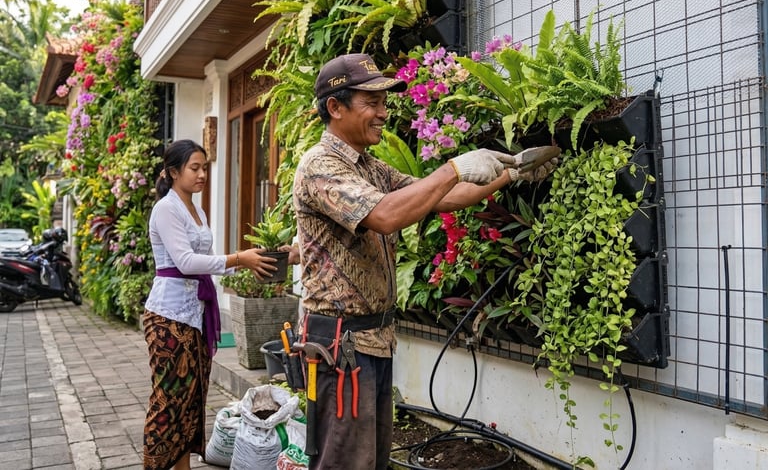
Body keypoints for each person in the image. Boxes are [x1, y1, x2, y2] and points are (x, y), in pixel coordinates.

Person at [293, 53, 558, 470]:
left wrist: (512, 173)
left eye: (384, 102)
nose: (384, 113)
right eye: (372, 102)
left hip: (372, 340)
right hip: (340, 345)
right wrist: (454, 167)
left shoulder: (370, 168)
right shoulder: (320, 166)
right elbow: (385, 215)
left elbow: (442, 197)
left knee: (371, 460)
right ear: (335, 107)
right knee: (345, 462)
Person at [142, 139, 280, 470]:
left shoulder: (197, 210)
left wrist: (249, 263)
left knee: (191, 400)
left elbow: (206, 261)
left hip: (195, 315)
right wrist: (238, 258)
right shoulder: (166, 209)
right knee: (168, 401)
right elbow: (187, 262)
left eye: (205, 167)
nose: (203, 174)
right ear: (173, 172)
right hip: (168, 317)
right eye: (195, 168)